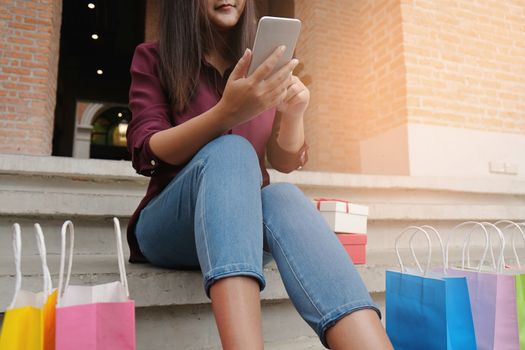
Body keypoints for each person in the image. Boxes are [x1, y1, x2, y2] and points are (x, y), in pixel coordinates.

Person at [126, 0, 393, 349]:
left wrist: (295, 113)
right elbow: (147, 150)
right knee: (231, 151)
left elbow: (284, 158)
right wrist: (225, 114)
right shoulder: (154, 57)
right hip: (171, 224)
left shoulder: (263, 65)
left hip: (244, 224)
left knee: (283, 196)